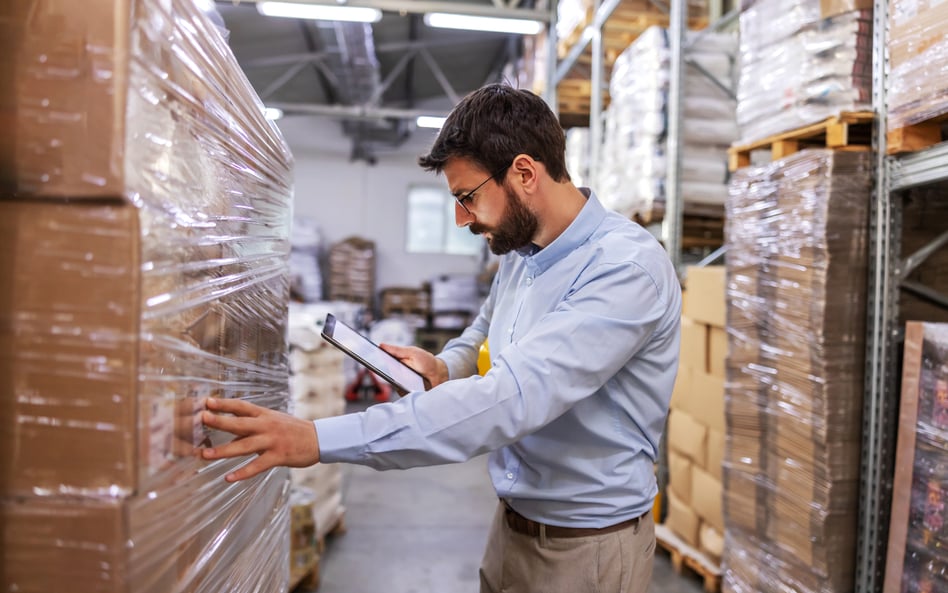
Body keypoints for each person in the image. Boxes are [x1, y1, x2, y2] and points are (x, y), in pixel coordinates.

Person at [201, 83, 682, 593]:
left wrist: (319, 438)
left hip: (589, 549)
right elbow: (484, 330)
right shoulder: (524, 253)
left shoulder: (624, 270)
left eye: (467, 197)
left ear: (524, 172)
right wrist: (445, 367)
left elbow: (509, 400)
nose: (461, 218)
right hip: (512, 526)